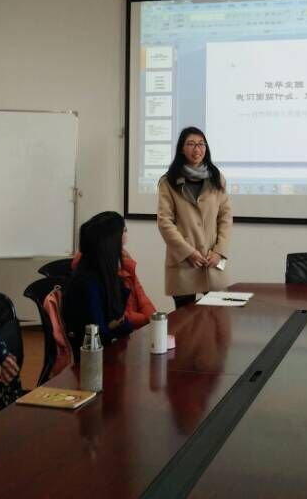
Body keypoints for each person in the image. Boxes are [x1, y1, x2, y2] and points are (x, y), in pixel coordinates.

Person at [157, 126, 232, 309]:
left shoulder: (217, 178)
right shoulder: (168, 181)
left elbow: (225, 217)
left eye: (201, 144)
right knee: (185, 320)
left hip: (212, 259)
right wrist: (188, 252)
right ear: (182, 149)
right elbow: (165, 222)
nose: (197, 149)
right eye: (191, 144)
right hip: (183, 261)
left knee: (217, 318)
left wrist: (219, 251)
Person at [63, 211, 156, 347]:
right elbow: (99, 333)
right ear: (111, 242)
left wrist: (148, 320)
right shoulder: (87, 281)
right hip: (97, 353)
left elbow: (136, 303)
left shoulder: (114, 269)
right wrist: (122, 324)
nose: (126, 237)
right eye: (124, 231)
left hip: (117, 342)